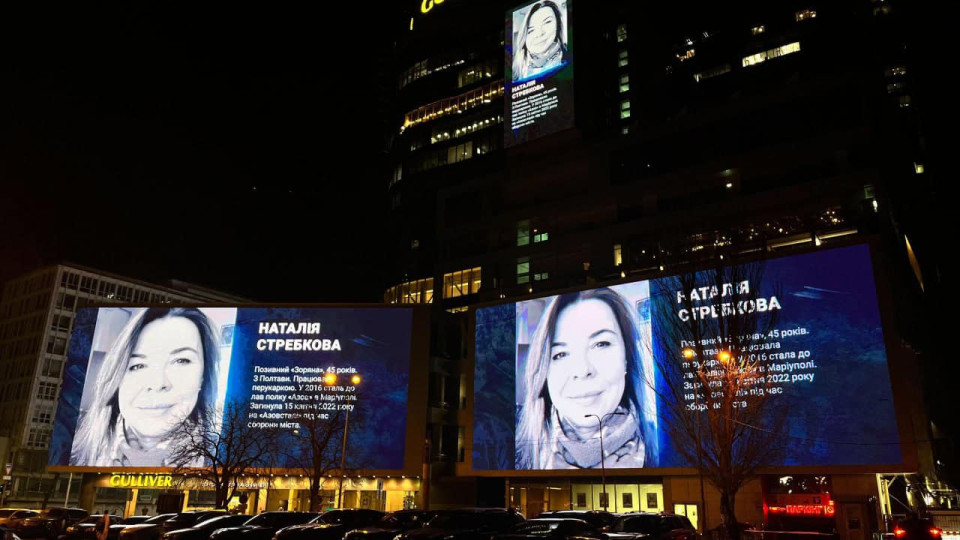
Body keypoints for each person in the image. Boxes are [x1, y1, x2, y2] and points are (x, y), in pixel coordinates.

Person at [516, 287, 657, 469]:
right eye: (560, 354)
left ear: (626, 358)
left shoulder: (670, 447)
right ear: (544, 372)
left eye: (601, 344)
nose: (582, 370)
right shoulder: (516, 455)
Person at [70, 307, 221, 467]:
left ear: (203, 376)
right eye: (138, 365)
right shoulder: (73, 447)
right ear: (117, 378)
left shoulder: (226, 455)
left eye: (181, 361)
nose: (157, 383)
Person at [512, 0, 570, 82]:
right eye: (531, 30)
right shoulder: (515, 72)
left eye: (547, 22)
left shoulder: (569, 58)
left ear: (558, 24)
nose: (539, 34)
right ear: (524, 38)